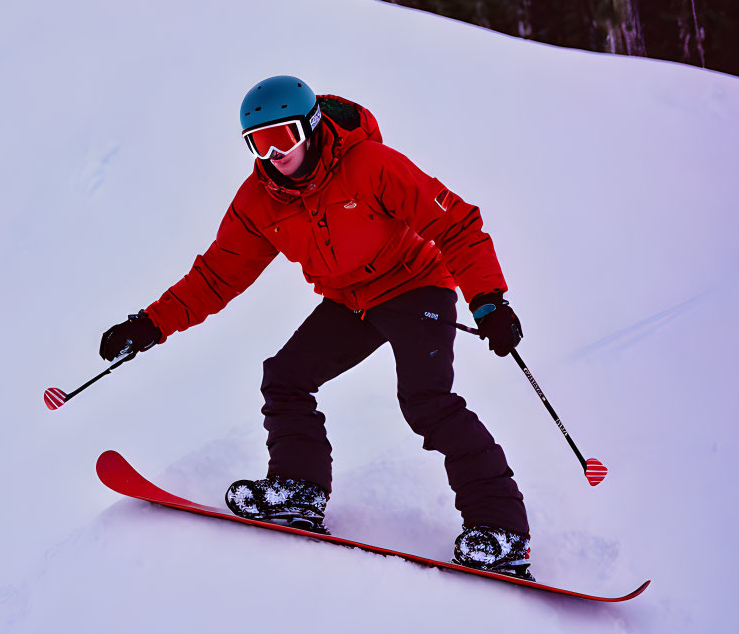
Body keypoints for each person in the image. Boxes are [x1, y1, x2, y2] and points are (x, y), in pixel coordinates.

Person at [99, 76, 532, 579]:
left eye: (283, 136)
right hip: (351, 299)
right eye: (259, 143)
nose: (274, 153)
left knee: (426, 400)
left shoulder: (370, 166)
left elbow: (456, 224)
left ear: (312, 126)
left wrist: (488, 301)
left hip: (414, 285)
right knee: (285, 377)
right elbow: (217, 275)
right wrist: (150, 324)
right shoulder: (259, 201)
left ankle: (501, 531)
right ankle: (298, 489)